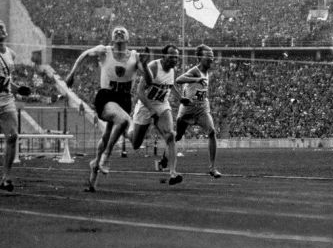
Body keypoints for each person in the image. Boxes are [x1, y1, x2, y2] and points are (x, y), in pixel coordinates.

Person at [66, 26, 149, 192]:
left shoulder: (134, 56)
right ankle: (105, 158)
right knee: (124, 120)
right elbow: (83, 55)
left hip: (124, 99)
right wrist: (72, 74)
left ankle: (93, 176)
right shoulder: (104, 51)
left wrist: (145, 65)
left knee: (106, 135)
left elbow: (148, 79)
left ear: (128, 38)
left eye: (122, 31)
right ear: (112, 38)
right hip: (106, 97)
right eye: (116, 31)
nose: (118, 33)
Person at [158, 44, 221, 178]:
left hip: (202, 108)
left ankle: (212, 168)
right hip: (187, 110)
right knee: (178, 136)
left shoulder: (207, 71)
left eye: (212, 56)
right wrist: (196, 79)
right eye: (208, 56)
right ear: (199, 57)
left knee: (212, 131)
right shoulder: (195, 71)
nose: (211, 59)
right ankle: (164, 158)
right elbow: (179, 79)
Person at [128, 44, 182, 185]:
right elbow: (140, 92)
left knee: (170, 135)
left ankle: (173, 173)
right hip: (145, 106)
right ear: (163, 56)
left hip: (162, 105)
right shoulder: (153, 67)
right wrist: (151, 109)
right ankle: (128, 130)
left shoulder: (173, 69)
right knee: (135, 144)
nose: (175, 59)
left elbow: (171, 85)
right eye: (171, 56)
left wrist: (180, 98)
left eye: (176, 57)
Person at [0, 20, 30, 192]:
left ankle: (6, 177)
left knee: (12, 137)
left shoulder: (10, 53)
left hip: (6, 100)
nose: (1, 29)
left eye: (3, 27)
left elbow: (6, 81)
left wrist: (19, 89)